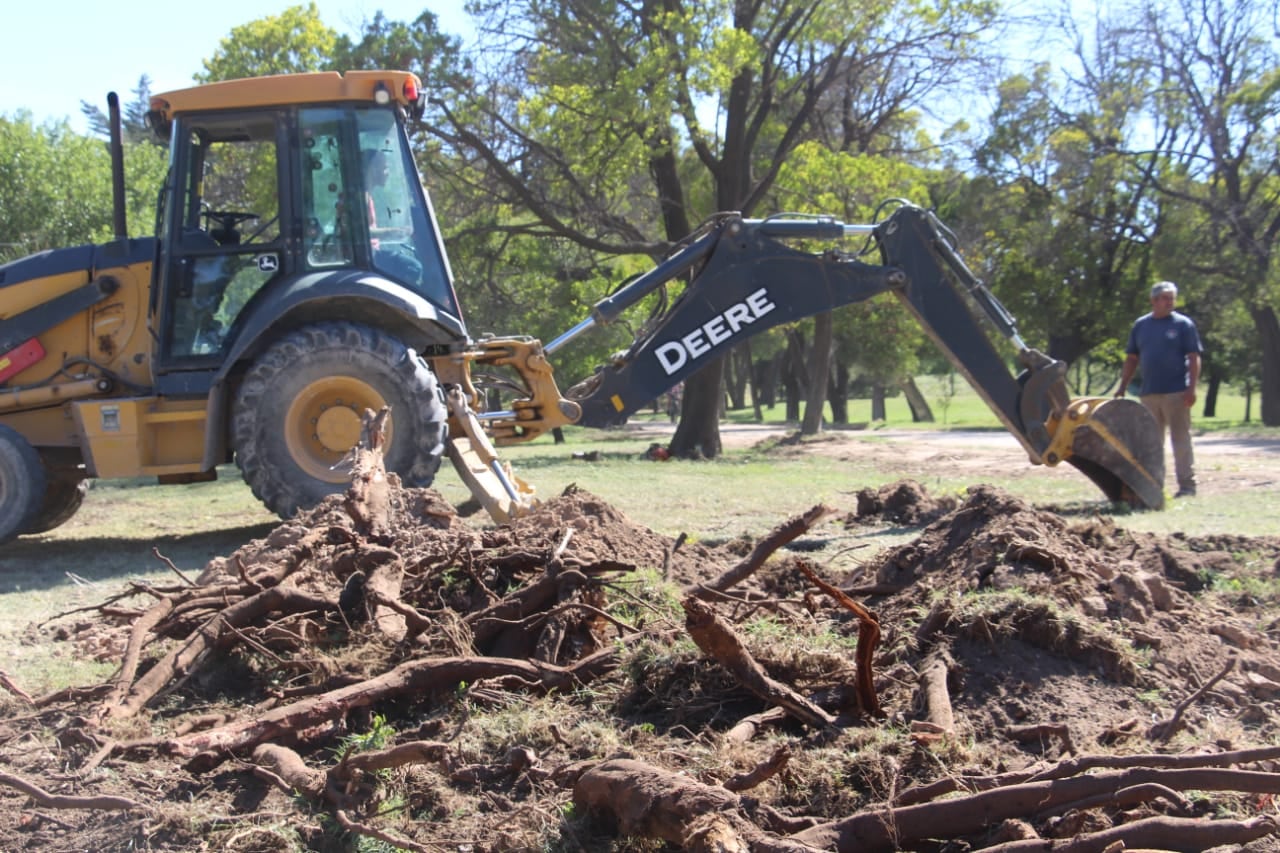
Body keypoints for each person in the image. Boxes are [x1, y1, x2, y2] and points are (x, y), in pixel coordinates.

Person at [1115, 280, 1203, 498]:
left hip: (1176, 392)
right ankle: (1153, 485)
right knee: (1151, 443)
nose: (1170, 302)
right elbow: (1132, 358)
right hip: (1149, 393)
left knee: (1180, 440)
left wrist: (1191, 388)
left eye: (1172, 298)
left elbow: (1194, 357)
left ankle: (1187, 486)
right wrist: (1123, 386)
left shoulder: (1183, 325)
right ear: (1153, 300)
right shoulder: (1141, 326)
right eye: (1165, 298)